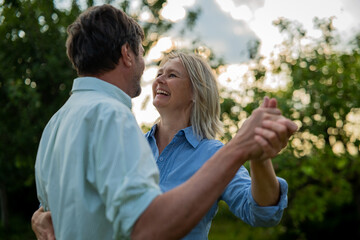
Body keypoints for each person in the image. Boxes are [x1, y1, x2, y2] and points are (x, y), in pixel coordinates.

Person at [33, 4, 297, 240]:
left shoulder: (56, 123)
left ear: (197, 92)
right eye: (157, 71)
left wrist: (259, 157)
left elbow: (261, 214)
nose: (158, 79)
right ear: (127, 54)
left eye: (171, 75)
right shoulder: (118, 125)